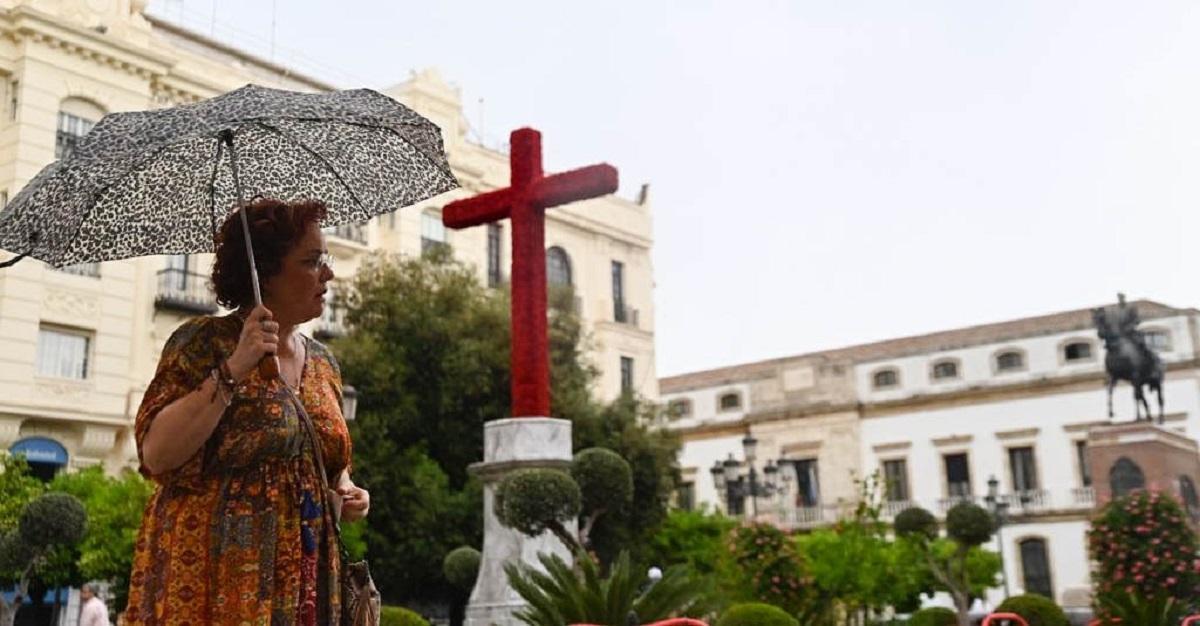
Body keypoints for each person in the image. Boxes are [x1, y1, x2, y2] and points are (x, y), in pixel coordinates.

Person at [124, 198, 370, 625]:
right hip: (215, 578)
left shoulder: (324, 362)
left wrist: (346, 489)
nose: (328, 274)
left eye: (325, 259)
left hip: (305, 578)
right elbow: (157, 454)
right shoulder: (202, 342)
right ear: (265, 274)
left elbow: (330, 461)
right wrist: (236, 366)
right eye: (312, 261)